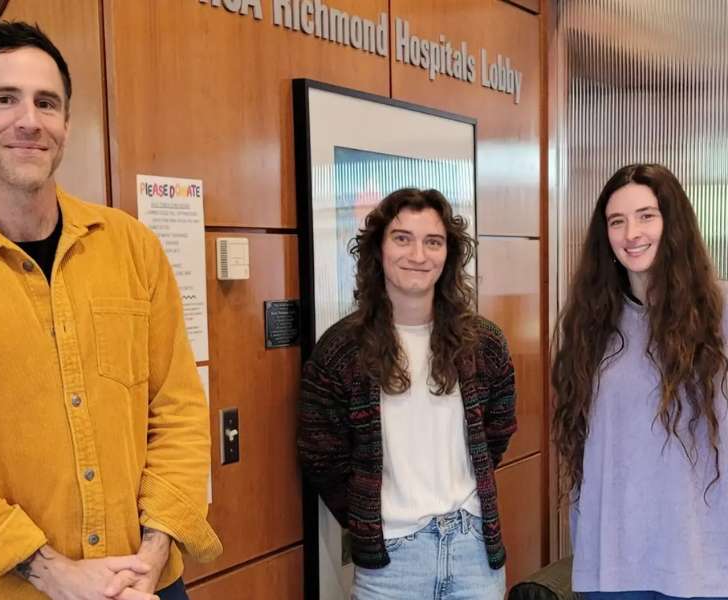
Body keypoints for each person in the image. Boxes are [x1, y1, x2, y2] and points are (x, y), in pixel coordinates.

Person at [0, 22, 222, 600]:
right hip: (14, 590)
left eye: (47, 102)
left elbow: (178, 408)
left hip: (146, 582)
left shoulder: (131, 245)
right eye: (4, 99)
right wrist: (54, 572)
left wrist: (154, 549)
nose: (29, 120)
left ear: (66, 122)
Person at [298, 188, 517, 599]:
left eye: (432, 242)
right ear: (378, 250)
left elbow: (498, 432)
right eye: (402, 238)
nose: (418, 255)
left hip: (473, 548)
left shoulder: (484, 343)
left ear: (448, 254)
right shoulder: (340, 350)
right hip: (392, 561)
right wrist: (369, 519)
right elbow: (321, 455)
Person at [552, 163, 728, 599]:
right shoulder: (588, 325)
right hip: (613, 566)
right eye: (617, 221)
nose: (632, 232)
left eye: (646, 215)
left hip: (702, 561)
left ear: (674, 223)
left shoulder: (718, 317)